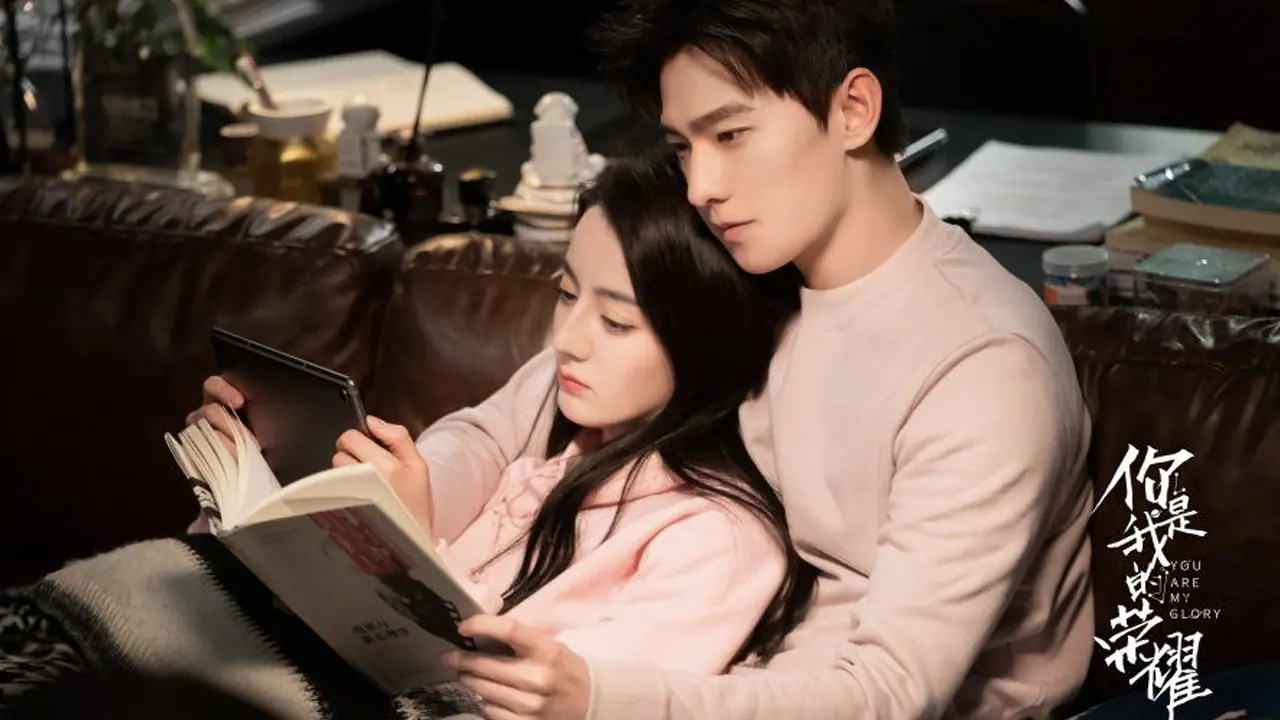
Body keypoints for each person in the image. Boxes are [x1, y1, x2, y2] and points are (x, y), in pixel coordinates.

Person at [386, 1, 1097, 718]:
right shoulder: (749, 261)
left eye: (730, 134)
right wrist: (391, 504)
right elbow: (510, 420)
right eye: (683, 147)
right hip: (701, 667)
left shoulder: (985, 369)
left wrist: (602, 698)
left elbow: (890, 694)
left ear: (853, 110)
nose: (701, 187)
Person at [191, 149, 817, 681]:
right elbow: (476, 439)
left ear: (708, 341)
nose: (567, 339)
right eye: (566, 293)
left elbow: (560, 699)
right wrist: (264, 475)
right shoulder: (568, 395)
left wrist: (405, 546)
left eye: (616, 321)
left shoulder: (717, 541)